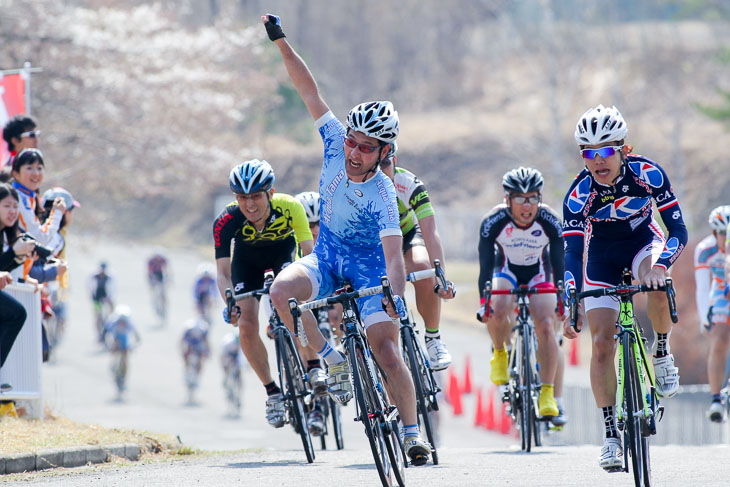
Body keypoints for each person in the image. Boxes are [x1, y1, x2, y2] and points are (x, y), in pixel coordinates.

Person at [262, 14, 432, 465]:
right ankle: (332, 361)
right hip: (328, 255)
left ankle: (413, 432)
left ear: (385, 153)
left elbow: (394, 256)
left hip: (370, 267)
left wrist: (395, 296)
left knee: (388, 352)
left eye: (366, 147)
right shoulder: (335, 141)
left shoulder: (382, 193)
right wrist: (281, 43)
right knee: (280, 291)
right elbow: (308, 90)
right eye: (353, 142)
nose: (355, 153)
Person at [562, 105, 686, 471]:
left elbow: (678, 231)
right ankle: (610, 435)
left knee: (657, 282)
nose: (598, 160)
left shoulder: (647, 173)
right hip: (601, 255)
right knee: (601, 343)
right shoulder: (577, 193)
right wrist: (572, 299)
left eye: (605, 151)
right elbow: (572, 251)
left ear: (623, 150)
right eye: (589, 153)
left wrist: (661, 266)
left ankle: (662, 354)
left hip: (642, 242)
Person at [213, 158, 320, 430]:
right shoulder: (226, 220)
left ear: (270, 194)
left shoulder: (290, 207)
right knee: (246, 324)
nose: (249, 205)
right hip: (246, 265)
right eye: (242, 197)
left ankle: (313, 365)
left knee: (295, 305)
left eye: (257, 196)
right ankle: (272, 392)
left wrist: (312, 291)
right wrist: (229, 302)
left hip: (283, 256)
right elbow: (223, 273)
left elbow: (309, 256)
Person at [476, 167, 565, 419]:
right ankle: (501, 353)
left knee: (547, 324)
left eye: (533, 198)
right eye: (520, 199)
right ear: (507, 200)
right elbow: (484, 269)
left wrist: (563, 301)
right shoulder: (493, 221)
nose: (527, 206)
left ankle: (547, 392)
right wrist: (485, 303)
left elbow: (560, 265)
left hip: (539, 271)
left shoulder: (550, 220)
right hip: (505, 270)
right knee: (498, 302)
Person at [380, 145, 455, 371]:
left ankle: (433, 338)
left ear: (395, 161)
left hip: (407, 237)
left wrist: (442, 278)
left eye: (386, 164)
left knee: (423, 266)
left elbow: (430, 233)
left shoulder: (408, 183)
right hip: (375, 247)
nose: (382, 171)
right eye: (377, 165)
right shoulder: (360, 187)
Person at [696, 206, 730, 422]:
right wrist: (703, 318)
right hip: (719, 289)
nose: (726, 239)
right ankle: (716, 399)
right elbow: (702, 288)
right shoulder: (704, 250)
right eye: (722, 234)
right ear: (714, 233)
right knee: (718, 339)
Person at [102, 305, 141, 394]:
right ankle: (114, 364)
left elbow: (137, 337)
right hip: (115, 338)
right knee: (115, 347)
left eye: (124, 322)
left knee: (125, 357)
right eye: (121, 322)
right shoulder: (112, 322)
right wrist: (107, 344)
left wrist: (133, 346)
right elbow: (105, 333)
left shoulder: (129, 324)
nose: (122, 323)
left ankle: (124, 375)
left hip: (124, 340)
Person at [181, 317, 210, 402]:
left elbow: (206, 342)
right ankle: (187, 371)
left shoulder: (203, 330)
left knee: (200, 359)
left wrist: (206, 352)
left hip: (198, 343)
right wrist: (184, 354)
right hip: (190, 342)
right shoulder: (188, 328)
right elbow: (182, 341)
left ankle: (196, 375)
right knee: (187, 355)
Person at [90, 261, 115, 342]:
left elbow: (113, 288)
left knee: (111, 312)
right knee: (97, 316)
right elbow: (90, 287)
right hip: (97, 298)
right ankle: (98, 333)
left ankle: (111, 323)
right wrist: (92, 296)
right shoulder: (94, 276)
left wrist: (110, 297)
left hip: (106, 297)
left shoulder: (109, 277)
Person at [147, 249, 169, 325]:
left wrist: (168, 279)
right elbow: (149, 273)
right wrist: (152, 282)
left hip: (160, 275)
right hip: (153, 275)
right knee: (154, 290)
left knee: (163, 292)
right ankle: (154, 302)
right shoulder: (151, 261)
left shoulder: (163, 260)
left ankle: (164, 304)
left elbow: (167, 270)